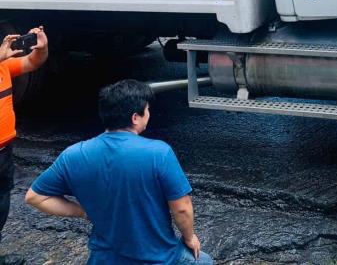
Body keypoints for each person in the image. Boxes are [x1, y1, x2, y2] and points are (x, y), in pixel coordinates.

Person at [25, 79, 212, 265]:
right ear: (135, 117)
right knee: (203, 260)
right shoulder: (159, 152)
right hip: (159, 258)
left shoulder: (73, 155)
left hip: (103, 260)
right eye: (147, 109)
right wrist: (189, 237)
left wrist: (83, 211)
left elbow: (35, 197)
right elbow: (181, 207)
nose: (149, 113)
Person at [0, 26, 49, 265]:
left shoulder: (3, 68)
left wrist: (42, 47)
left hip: (4, 150)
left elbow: (32, 62)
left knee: (1, 200)